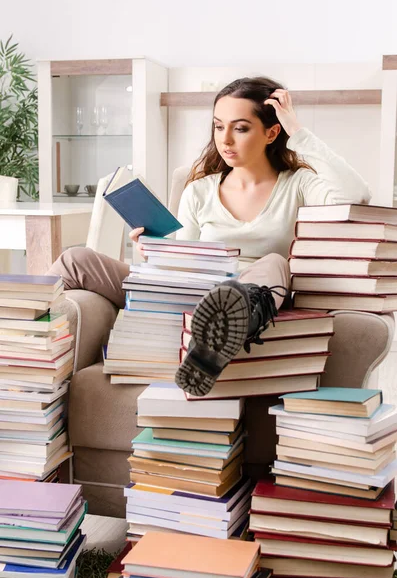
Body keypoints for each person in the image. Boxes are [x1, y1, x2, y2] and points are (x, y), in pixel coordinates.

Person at [47, 76, 371, 398]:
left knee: (273, 262)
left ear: (272, 132)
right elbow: (181, 261)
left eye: (240, 128)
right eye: (218, 126)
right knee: (76, 259)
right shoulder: (199, 190)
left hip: (252, 297)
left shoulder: (299, 184)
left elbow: (356, 194)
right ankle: (21, 340)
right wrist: (154, 252)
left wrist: (297, 130)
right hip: (193, 288)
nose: (225, 139)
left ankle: (212, 344)